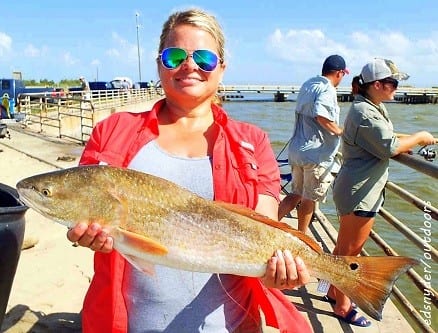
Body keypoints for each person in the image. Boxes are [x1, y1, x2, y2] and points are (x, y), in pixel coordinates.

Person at [67, 8, 312, 333]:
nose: (189, 66)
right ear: (159, 65)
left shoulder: (253, 141)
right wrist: (84, 234)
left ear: (222, 69)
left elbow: (265, 224)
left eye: (205, 59)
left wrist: (278, 270)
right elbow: (81, 204)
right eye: (175, 56)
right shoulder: (112, 131)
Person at [327, 58, 435, 327]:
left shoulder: (369, 107)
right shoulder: (365, 112)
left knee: (344, 247)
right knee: (351, 252)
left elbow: (385, 137)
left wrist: (403, 142)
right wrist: (420, 137)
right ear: (377, 85)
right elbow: (387, 146)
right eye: (393, 83)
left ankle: (332, 291)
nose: (397, 88)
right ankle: (343, 305)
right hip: (360, 192)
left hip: (357, 188)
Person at [278, 55, 349, 233]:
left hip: (297, 151)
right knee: (309, 199)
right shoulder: (328, 89)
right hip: (315, 154)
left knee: (295, 195)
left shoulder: (308, 85)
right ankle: (302, 237)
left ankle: (268, 225)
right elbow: (321, 115)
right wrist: (340, 131)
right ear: (340, 73)